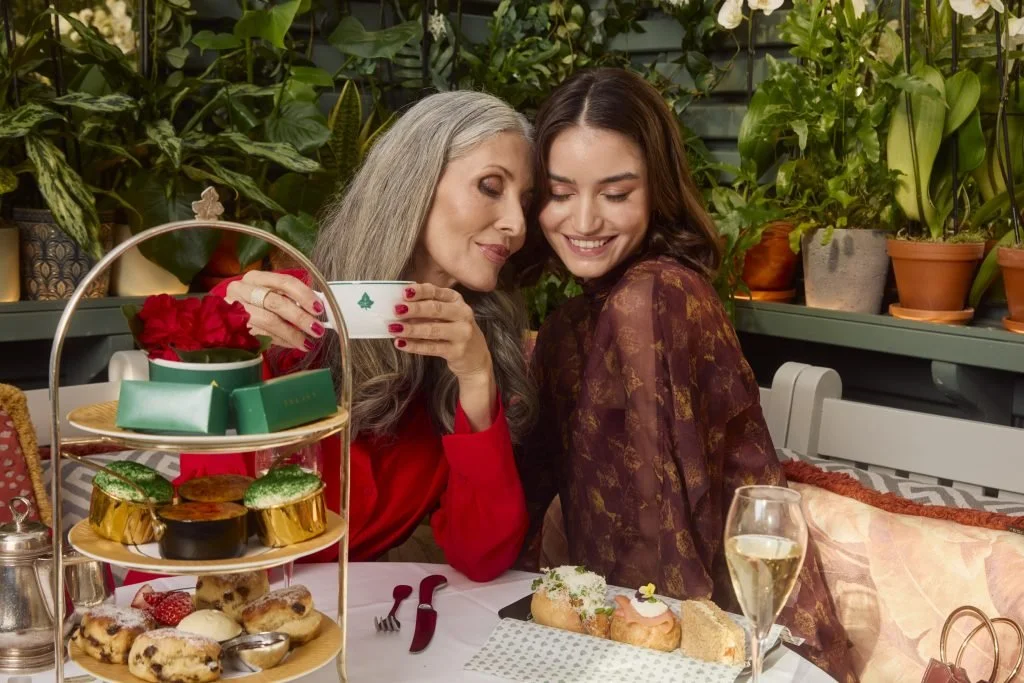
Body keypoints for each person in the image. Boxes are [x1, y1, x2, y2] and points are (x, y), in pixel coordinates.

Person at [514, 67, 856, 681]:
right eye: (561, 193)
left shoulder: (654, 298)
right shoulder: (569, 325)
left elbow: (665, 544)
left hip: (726, 647)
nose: (584, 221)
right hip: (640, 638)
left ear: (659, 192)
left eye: (616, 194)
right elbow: (523, 512)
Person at [125, 90, 537, 584]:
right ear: (413, 185)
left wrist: (475, 378)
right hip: (195, 603)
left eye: (525, 201)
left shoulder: (474, 347)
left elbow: (482, 556)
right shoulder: (287, 312)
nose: (516, 224)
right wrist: (232, 347)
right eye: (491, 187)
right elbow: (209, 502)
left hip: (340, 625)